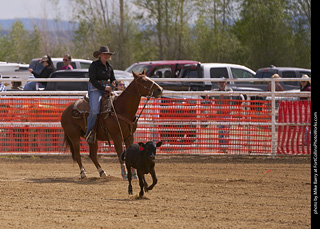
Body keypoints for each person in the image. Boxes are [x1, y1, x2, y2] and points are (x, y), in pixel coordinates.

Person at [84, 46, 116, 143]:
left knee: (118, 101)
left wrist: (114, 83)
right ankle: (89, 132)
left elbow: (113, 78)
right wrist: (104, 88)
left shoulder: (109, 67)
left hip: (106, 89)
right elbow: (93, 80)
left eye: (108, 54)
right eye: (104, 54)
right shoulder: (94, 65)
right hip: (95, 89)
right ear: (100, 55)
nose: (106, 55)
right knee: (94, 110)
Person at [213, 77, 234, 152]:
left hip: (227, 113)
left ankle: (225, 148)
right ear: (218, 83)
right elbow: (209, 93)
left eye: (223, 83)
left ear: (225, 83)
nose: (221, 84)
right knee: (221, 132)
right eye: (220, 83)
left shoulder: (229, 90)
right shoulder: (215, 91)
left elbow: (230, 94)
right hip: (219, 114)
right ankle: (221, 148)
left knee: (226, 132)